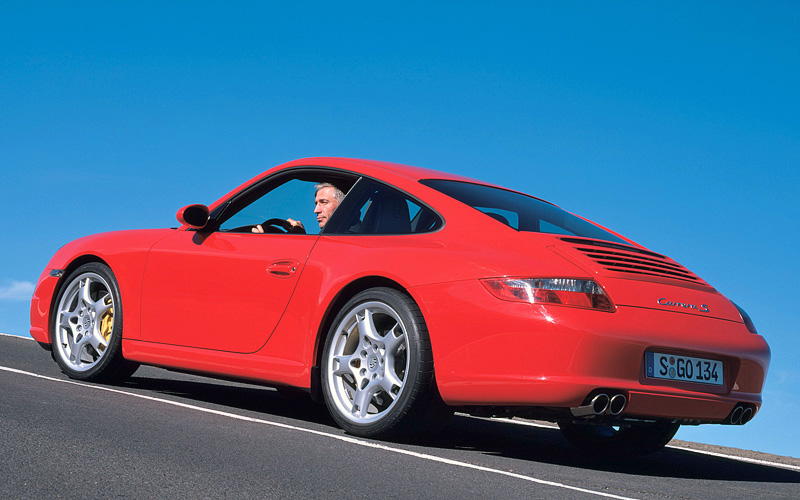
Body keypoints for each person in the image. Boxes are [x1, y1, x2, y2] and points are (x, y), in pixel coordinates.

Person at [252, 182, 345, 234]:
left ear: (343, 205)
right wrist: (300, 237)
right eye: (316, 204)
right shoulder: (334, 236)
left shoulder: (345, 239)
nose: (316, 210)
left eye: (324, 202)